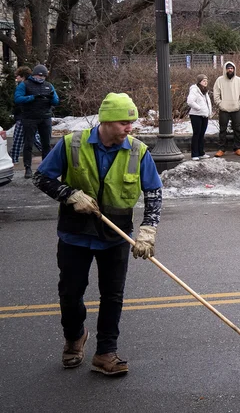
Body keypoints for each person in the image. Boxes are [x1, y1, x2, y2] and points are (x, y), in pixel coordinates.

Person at [32, 92, 161, 376]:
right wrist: (69, 194)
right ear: (106, 121)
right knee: (70, 294)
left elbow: (153, 192)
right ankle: (75, 337)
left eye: (132, 122)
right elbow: (41, 177)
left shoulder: (137, 151)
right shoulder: (71, 144)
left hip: (116, 237)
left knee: (112, 296)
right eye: (124, 122)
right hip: (74, 236)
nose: (130, 128)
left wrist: (148, 229)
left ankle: (105, 353)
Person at [16, 63, 59, 178]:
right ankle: (28, 168)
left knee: (46, 144)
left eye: (43, 77)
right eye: (39, 76)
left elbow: (56, 100)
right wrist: (32, 97)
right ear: (33, 75)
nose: (40, 78)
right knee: (28, 143)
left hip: (45, 117)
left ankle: (45, 168)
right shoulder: (25, 85)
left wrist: (52, 98)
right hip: (29, 118)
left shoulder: (49, 86)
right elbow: (18, 98)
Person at [11, 66, 42, 170]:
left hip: (23, 116)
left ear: (22, 76)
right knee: (34, 137)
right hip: (33, 116)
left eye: (18, 76)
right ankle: (49, 154)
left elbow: (18, 101)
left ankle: (14, 158)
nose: (16, 78)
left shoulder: (22, 86)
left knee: (18, 138)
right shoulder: (34, 85)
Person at [212, 61, 240, 157]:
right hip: (224, 109)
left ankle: (237, 148)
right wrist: (220, 104)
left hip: (236, 108)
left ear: (234, 69)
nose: (230, 70)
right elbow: (216, 94)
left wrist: (239, 104)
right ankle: (221, 148)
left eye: (232, 68)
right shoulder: (219, 80)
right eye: (228, 68)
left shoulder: (239, 80)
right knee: (222, 130)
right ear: (225, 69)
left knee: (238, 129)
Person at [186, 74, 213, 160]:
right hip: (196, 115)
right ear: (199, 82)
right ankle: (194, 154)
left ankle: (201, 152)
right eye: (203, 81)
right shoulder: (194, 90)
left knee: (202, 134)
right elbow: (190, 101)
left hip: (204, 115)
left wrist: (209, 111)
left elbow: (207, 102)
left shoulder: (205, 91)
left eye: (206, 80)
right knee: (196, 134)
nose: (205, 82)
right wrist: (199, 108)